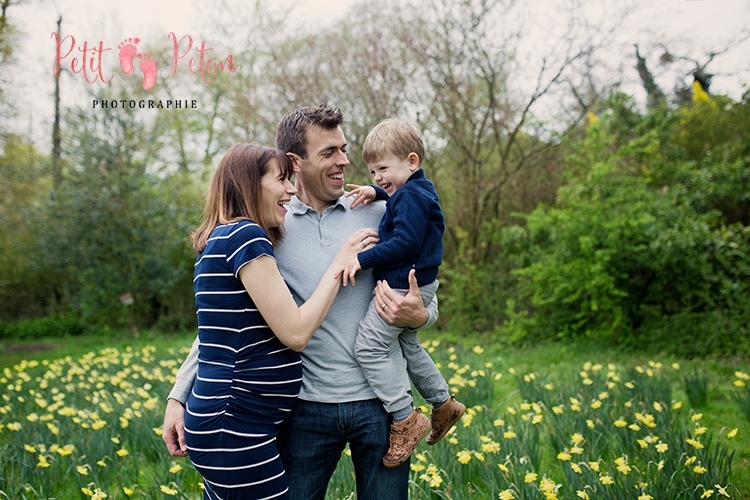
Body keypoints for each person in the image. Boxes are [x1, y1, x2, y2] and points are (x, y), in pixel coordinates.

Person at [162, 105, 438, 500]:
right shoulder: (270, 224)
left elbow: (425, 285)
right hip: (305, 409)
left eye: (343, 149)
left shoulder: (383, 210)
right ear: (295, 161)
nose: (344, 160)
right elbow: (226, 323)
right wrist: (178, 396)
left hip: (383, 408)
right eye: (329, 152)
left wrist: (423, 315)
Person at [182, 142, 375, 499]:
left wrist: (178, 399)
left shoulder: (221, 238)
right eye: (281, 179)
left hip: (227, 421)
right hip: (235, 423)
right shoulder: (246, 237)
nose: (290, 190)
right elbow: (297, 333)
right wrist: (340, 262)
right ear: (250, 184)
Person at [337, 118, 466, 468]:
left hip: (400, 285)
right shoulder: (416, 190)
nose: (378, 177)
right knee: (408, 345)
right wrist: (376, 191)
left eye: (382, 170)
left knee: (368, 346)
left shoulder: (409, 195)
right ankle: (443, 403)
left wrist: (361, 259)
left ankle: (404, 417)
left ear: (411, 161)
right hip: (419, 284)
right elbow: (405, 199)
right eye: (373, 171)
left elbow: (405, 241)